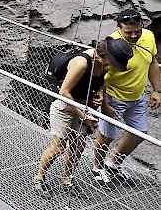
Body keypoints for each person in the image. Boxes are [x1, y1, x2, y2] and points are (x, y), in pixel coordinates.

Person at [34, 38, 132, 195]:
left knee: (77, 147)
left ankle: (67, 180)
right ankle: (39, 177)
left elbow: (100, 84)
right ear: (107, 56)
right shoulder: (82, 63)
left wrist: (103, 101)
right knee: (58, 148)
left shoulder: (103, 63)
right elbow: (64, 92)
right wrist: (84, 115)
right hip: (64, 107)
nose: (115, 66)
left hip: (84, 107)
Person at [93, 9, 161, 183]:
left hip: (137, 96)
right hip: (114, 96)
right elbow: (99, 73)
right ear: (118, 27)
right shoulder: (111, 45)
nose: (133, 35)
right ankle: (98, 168)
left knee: (139, 133)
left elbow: (152, 63)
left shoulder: (148, 36)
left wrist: (156, 90)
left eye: (137, 31)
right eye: (128, 32)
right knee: (107, 135)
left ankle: (113, 163)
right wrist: (104, 102)